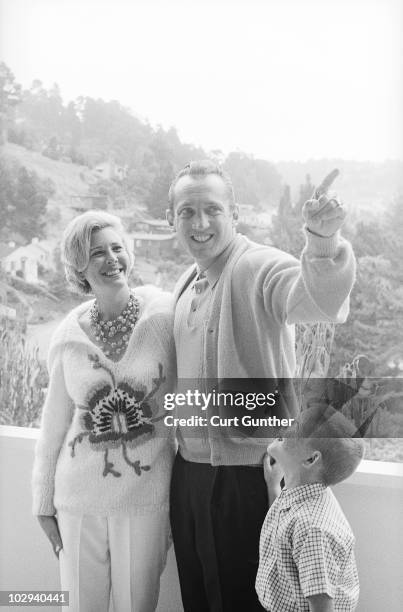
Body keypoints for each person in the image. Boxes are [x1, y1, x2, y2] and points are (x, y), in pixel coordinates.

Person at [165, 160, 356, 611]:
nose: (200, 222)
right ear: (170, 219)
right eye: (186, 211)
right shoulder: (185, 281)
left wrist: (323, 243)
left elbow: (317, 301)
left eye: (212, 209)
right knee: (198, 598)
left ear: (235, 214)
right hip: (189, 475)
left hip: (245, 478)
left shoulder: (255, 266)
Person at [32, 211, 175, 612]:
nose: (112, 259)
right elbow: (53, 426)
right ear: (80, 266)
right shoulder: (67, 335)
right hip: (76, 500)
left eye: (117, 248)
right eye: (97, 253)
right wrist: (43, 503)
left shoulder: (163, 314)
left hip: (145, 498)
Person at [257, 406, 365, 611]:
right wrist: (273, 486)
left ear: (311, 459)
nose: (285, 424)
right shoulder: (302, 491)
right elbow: (285, 527)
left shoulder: (314, 531)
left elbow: (322, 607)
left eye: (296, 427)